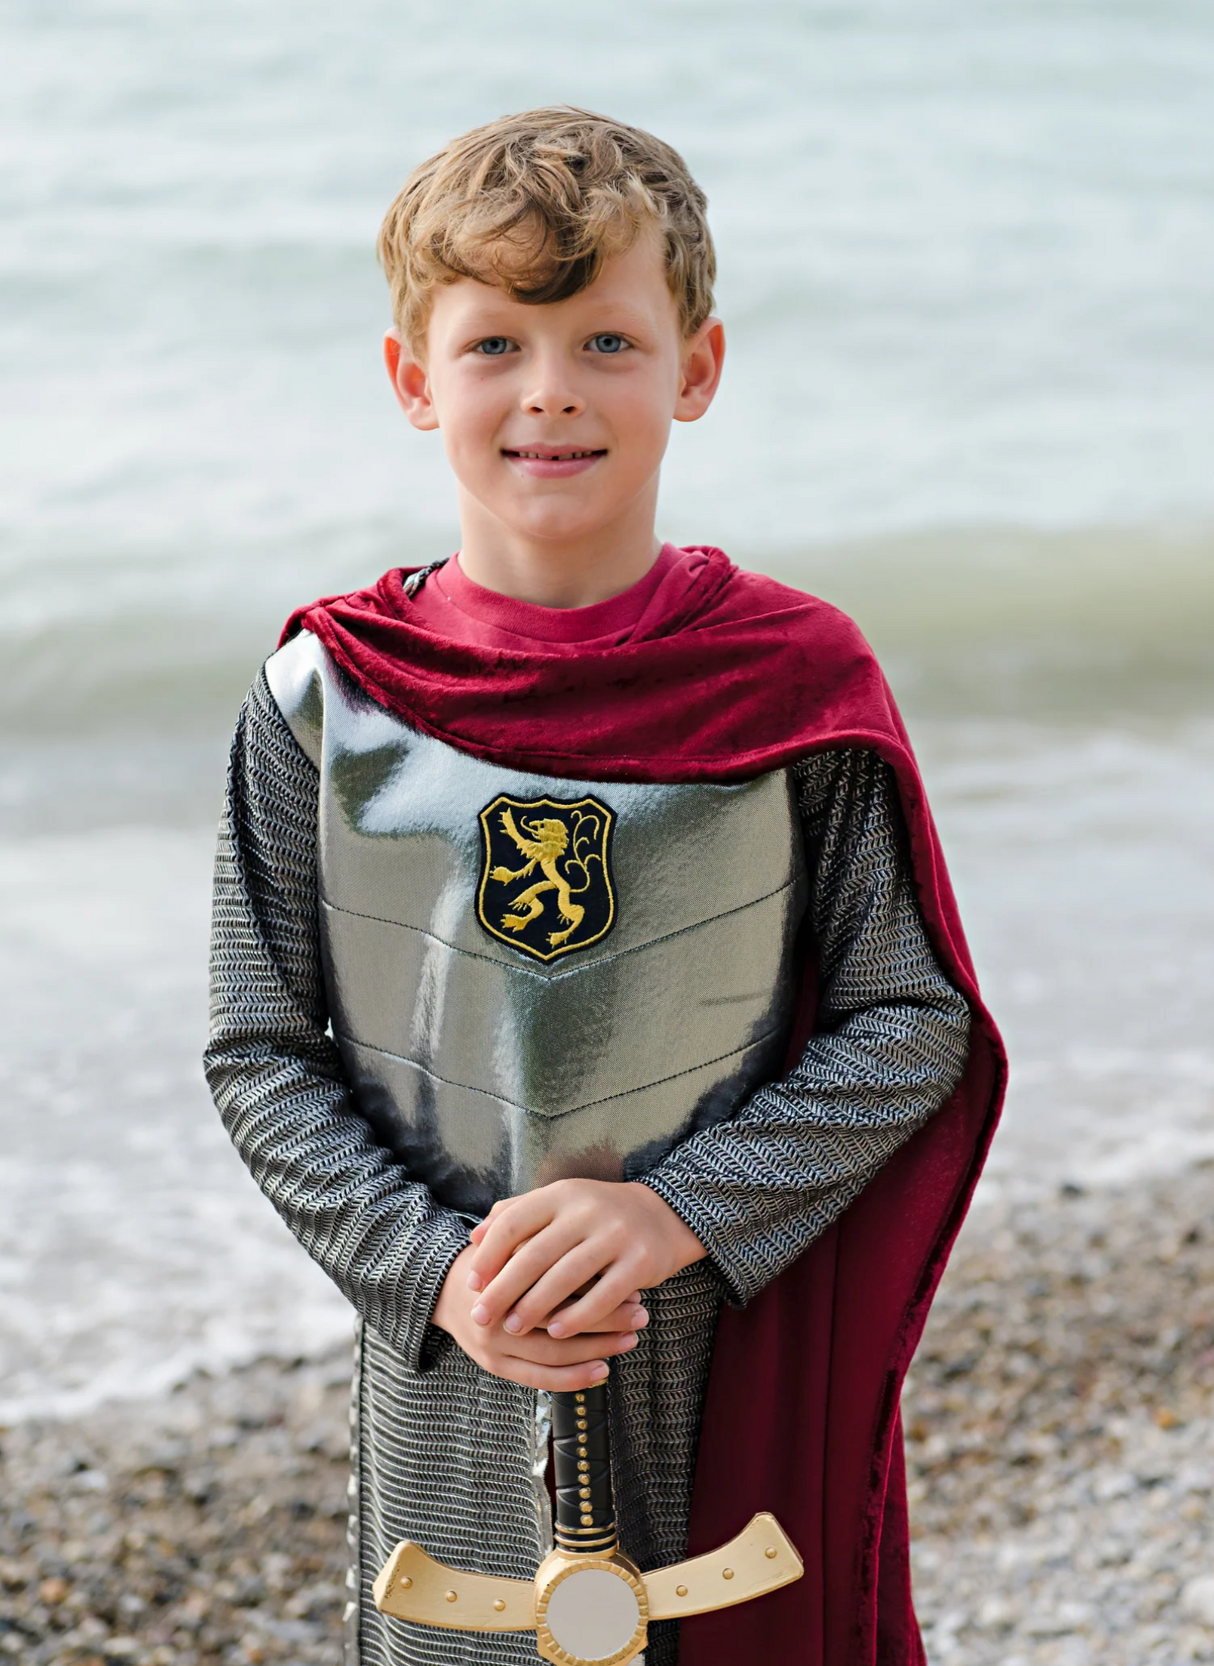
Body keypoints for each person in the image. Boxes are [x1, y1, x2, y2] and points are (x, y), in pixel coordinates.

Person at [204, 107, 1005, 1666]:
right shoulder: (323, 695)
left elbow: (912, 1021)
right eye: (494, 341)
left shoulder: (788, 682)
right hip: (448, 1353)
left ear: (695, 368)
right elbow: (260, 1048)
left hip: (714, 1334)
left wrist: (670, 1211)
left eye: (606, 340)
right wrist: (439, 1271)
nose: (550, 387)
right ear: (410, 380)